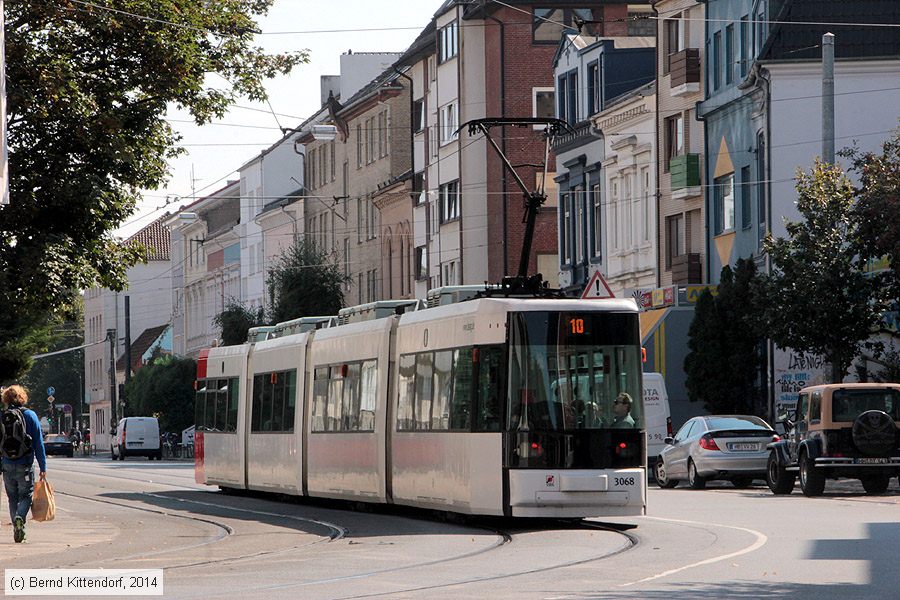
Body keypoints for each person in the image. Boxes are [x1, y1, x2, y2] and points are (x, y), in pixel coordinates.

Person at [1, 385, 47, 543]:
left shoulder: (2, 416)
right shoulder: (30, 415)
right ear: (22, 397)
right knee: (26, 495)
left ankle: (17, 527)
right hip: (25, 464)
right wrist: (43, 467)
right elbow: (39, 444)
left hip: (6, 463)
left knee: (12, 497)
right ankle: (20, 517)